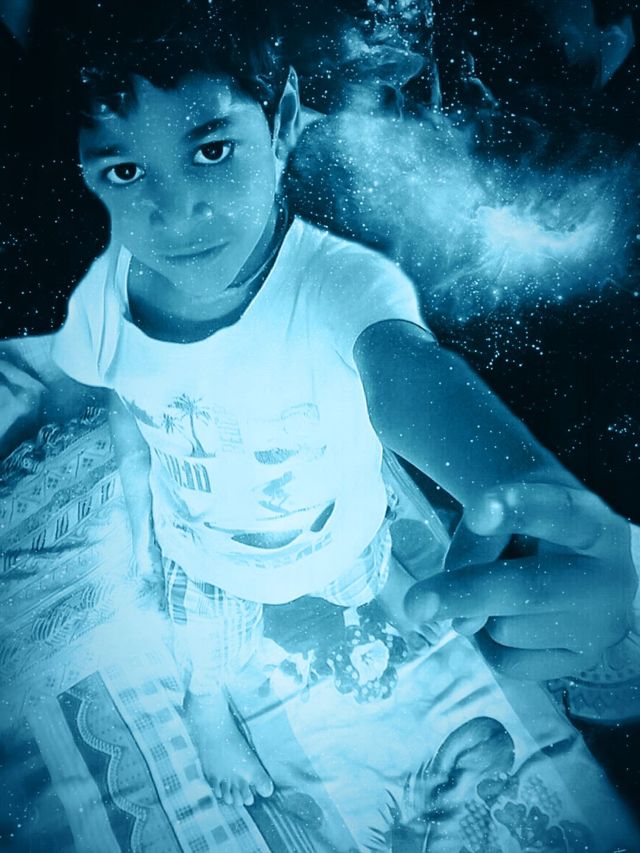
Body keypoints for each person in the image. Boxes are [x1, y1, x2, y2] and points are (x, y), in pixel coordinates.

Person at [50, 0, 638, 812]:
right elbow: (124, 405)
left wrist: (532, 486)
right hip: (207, 556)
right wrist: (138, 510)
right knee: (205, 657)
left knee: (363, 574)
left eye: (212, 150)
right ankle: (207, 709)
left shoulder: (339, 284)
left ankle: (377, 584)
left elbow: (411, 373)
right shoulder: (100, 303)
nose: (175, 212)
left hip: (343, 528)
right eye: (124, 170)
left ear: (283, 121)